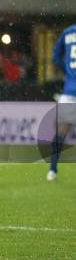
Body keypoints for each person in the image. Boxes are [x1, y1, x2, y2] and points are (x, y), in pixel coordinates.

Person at [47, 24, 76, 181]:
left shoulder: (68, 32)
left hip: (71, 89)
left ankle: (52, 169)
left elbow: (55, 58)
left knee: (62, 132)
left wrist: (68, 73)